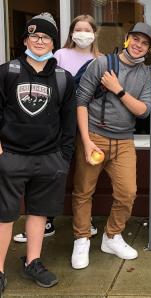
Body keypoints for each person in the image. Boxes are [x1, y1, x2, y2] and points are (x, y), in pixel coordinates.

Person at [0, 12, 76, 290]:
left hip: (49, 160)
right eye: (34, 35)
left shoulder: (63, 78)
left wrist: (63, 158)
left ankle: (33, 261)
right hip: (11, 156)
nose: (40, 41)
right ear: (25, 40)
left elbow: (69, 123)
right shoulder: (7, 72)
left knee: (39, 212)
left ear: (53, 43)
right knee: (4, 213)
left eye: (45, 37)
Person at [70, 22, 151, 269]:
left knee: (127, 193)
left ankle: (112, 236)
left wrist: (118, 90)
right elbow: (81, 102)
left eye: (145, 43)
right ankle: (81, 238)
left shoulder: (145, 75)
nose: (139, 45)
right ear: (128, 39)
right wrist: (85, 142)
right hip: (94, 137)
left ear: (148, 48)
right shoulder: (102, 64)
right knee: (83, 191)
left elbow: (144, 111)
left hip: (124, 141)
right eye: (136, 39)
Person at [13, 14, 101, 244]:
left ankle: (84, 219)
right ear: (71, 33)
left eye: (87, 29)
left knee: (82, 175)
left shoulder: (100, 58)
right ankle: (47, 221)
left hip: (86, 124)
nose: (83, 34)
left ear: (94, 33)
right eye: (78, 29)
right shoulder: (60, 55)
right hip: (55, 122)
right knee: (51, 174)